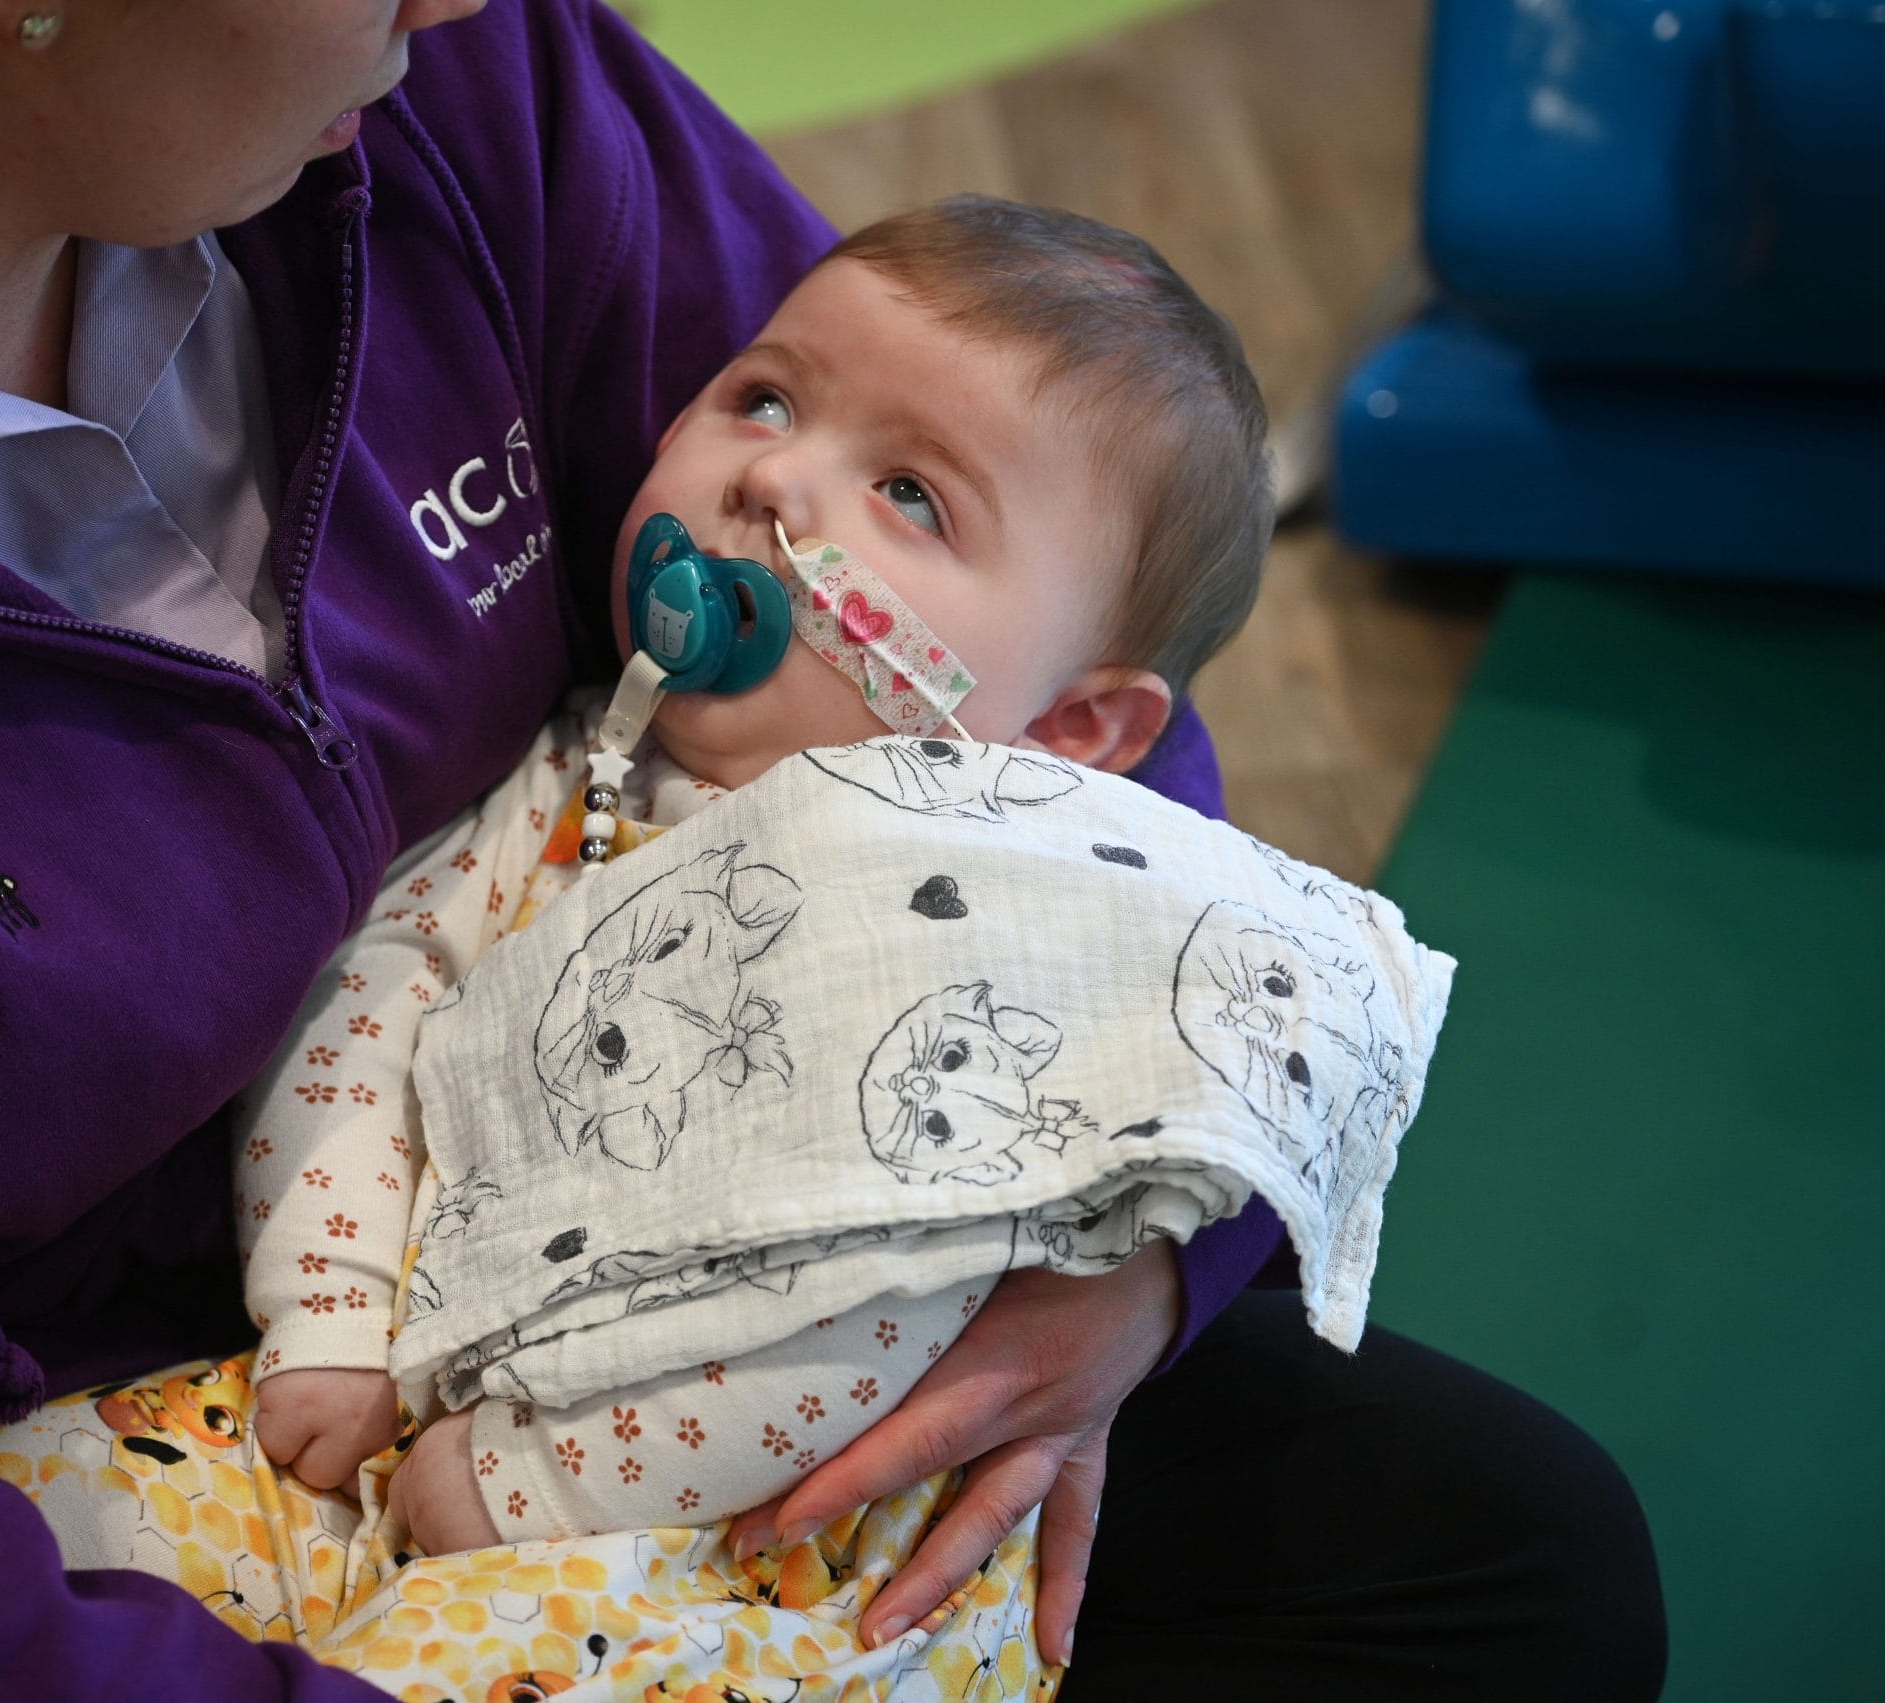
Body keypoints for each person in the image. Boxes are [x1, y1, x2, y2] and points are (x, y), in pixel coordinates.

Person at [0, 0, 1664, 1698]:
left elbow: (1053, 677)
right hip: (101, 1518)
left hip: (708, 1290)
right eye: (763, 419)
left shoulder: (434, 101)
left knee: (1510, 1563)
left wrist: (1133, 1247)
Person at [231, 198, 1310, 1563]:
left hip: (709, 1536)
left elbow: (880, 1297)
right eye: (763, 398)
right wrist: (327, 1301)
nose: (774, 483)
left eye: (910, 493)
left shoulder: (960, 943)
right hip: (376, 1375)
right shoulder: (565, 778)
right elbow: (364, 1011)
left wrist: (538, 1490)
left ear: (1067, 735)